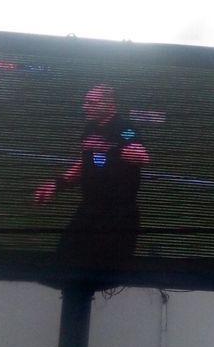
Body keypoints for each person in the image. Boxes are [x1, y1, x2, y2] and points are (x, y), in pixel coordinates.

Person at [34, 84, 149, 269]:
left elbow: (142, 156)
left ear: (109, 105)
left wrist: (109, 147)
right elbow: (84, 162)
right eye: (85, 102)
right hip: (90, 208)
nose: (85, 106)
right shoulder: (91, 127)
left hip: (117, 213)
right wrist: (58, 184)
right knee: (66, 258)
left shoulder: (125, 128)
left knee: (102, 267)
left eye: (91, 103)